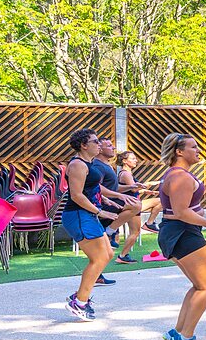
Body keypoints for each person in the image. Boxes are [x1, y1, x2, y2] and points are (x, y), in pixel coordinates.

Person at [158, 132, 206, 340]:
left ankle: (178, 332)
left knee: (200, 285)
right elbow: (181, 212)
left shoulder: (178, 175)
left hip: (179, 232)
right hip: (182, 233)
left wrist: (199, 214)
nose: (198, 150)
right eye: (193, 147)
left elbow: (183, 207)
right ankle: (185, 337)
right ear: (179, 151)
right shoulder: (180, 177)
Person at [61, 129, 118, 321]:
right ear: (84, 145)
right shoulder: (77, 164)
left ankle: (79, 297)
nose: (99, 144)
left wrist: (112, 198)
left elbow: (92, 186)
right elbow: (77, 195)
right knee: (99, 258)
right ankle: (79, 303)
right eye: (95, 141)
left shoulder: (89, 163)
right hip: (79, 215)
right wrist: (100, 211)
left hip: (87, 214)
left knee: (107, 254)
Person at [112, 150, 158, 264]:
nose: (135, 160)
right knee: (160, 201)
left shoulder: (127, 173)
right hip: (131, 206)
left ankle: (123, 256)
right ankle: (149, 224)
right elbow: (133, 188)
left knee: (135, 232)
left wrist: (145, 191)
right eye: (132, 158)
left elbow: (132, 188)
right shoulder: (125, 174)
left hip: (133, 205)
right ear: (125, 161)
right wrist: (151, 183)